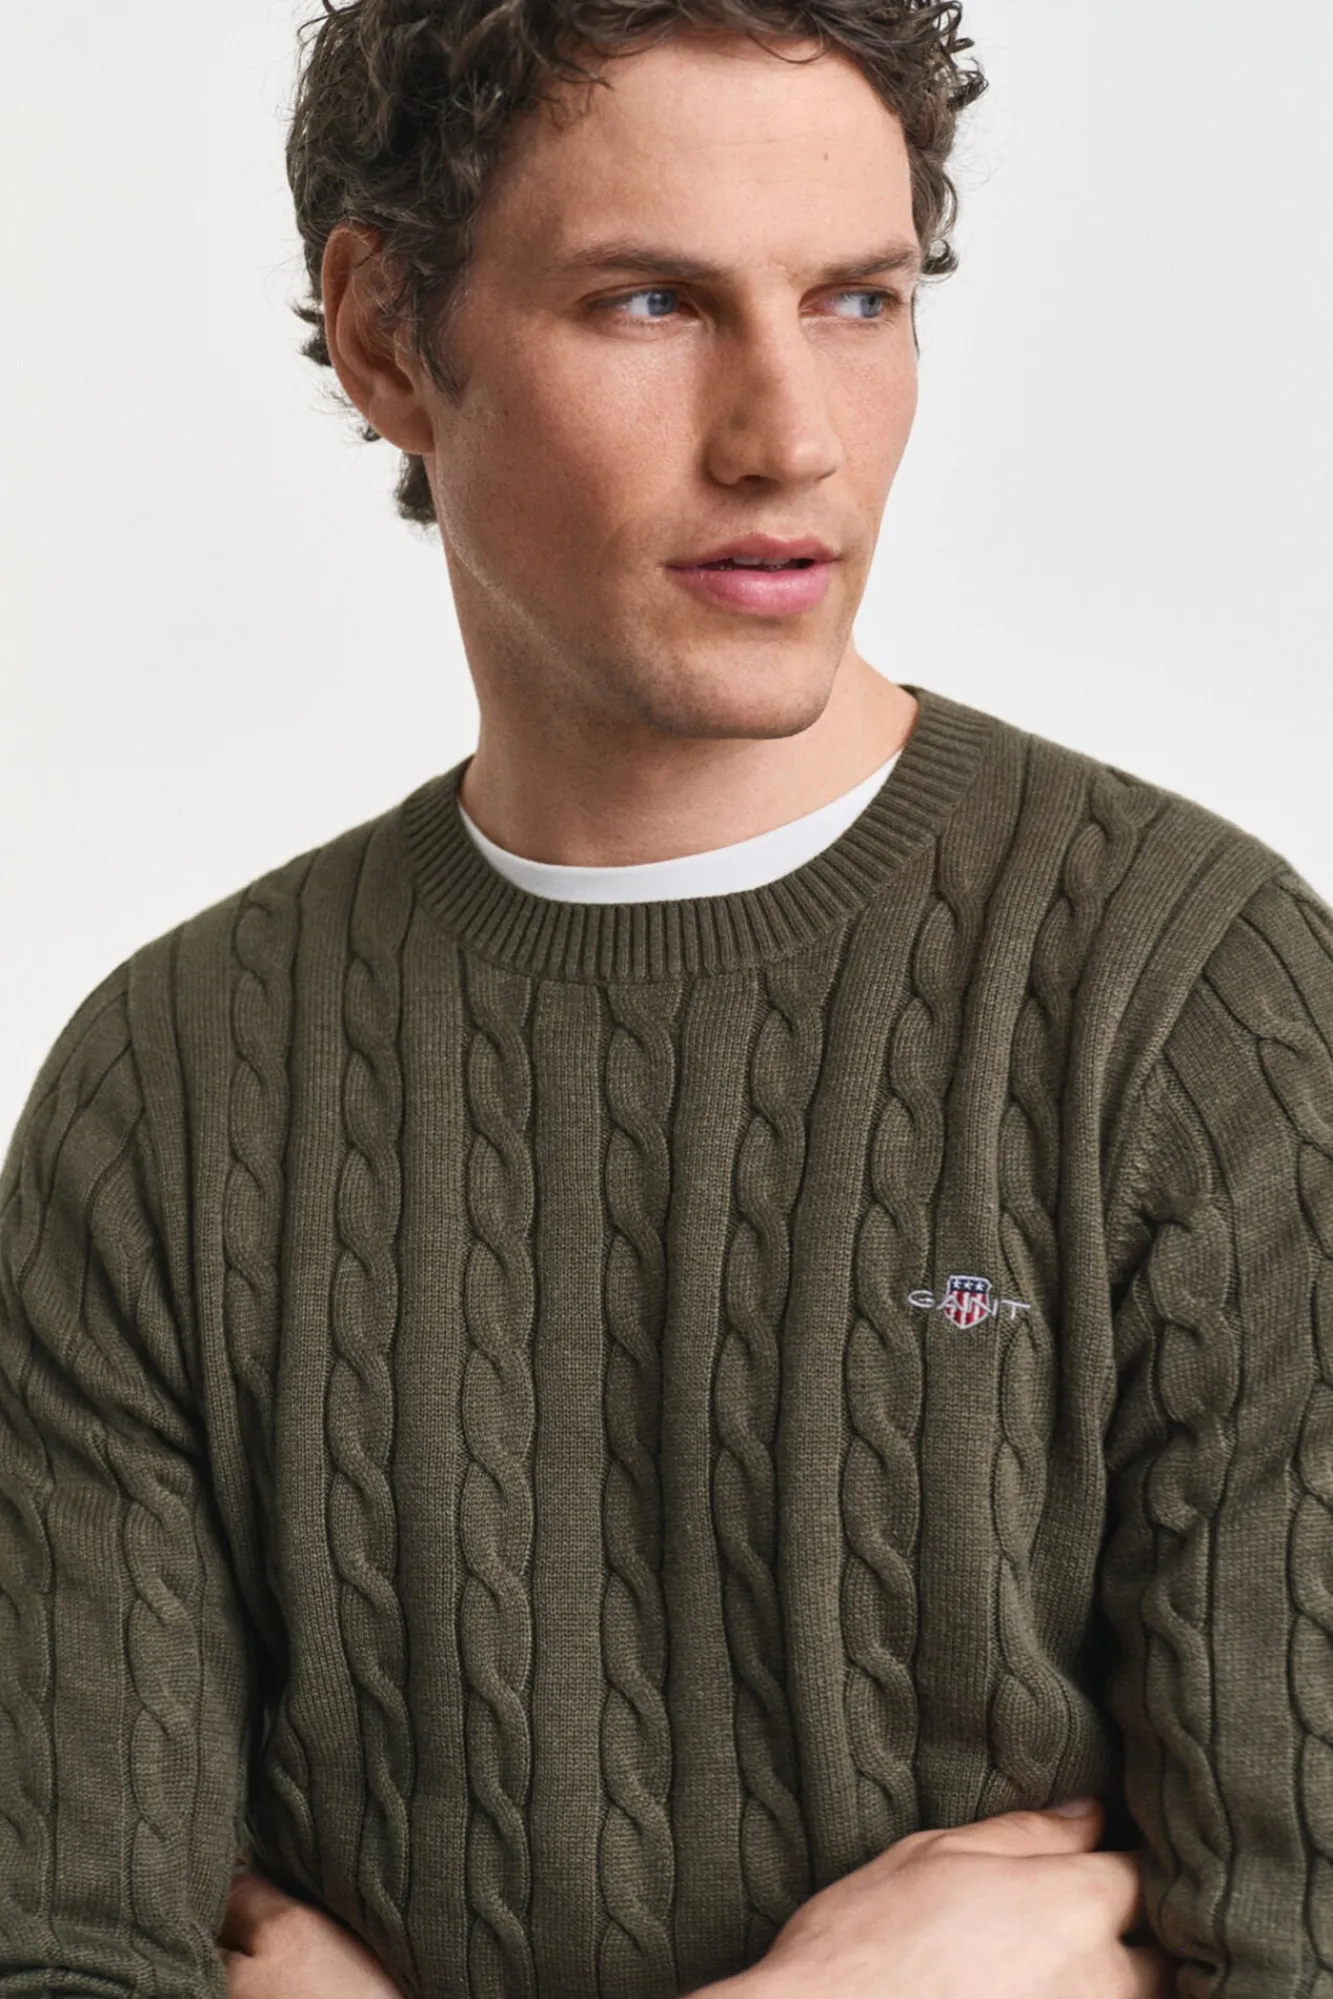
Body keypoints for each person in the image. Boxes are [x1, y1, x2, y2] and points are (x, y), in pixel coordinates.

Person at [1, 0, 1328, 1994]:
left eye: (860, 302)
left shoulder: (1193, 1010)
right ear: (386, 340)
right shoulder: (168, 1101)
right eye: (652, 303)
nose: (791, 437)